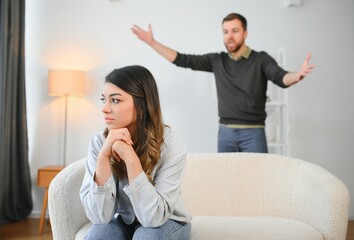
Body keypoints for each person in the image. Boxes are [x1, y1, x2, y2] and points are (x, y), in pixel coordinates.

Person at [131, 13, 316, 153]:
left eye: (235, 31)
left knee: (258, 182)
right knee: (226, 183)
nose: (230, 36)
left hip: (254, 134)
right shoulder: (217, 60)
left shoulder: (261, 59)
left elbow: (281, 77)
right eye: (225, 31)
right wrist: (152, 43)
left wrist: (297, 75)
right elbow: (182, 60)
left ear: (245, 33)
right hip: (225, 133)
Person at [79, 65, 192, 240]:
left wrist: (131, 160)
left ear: (141, 106)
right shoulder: (99, 142)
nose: (105, 108)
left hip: (167, 221)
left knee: (146, 236)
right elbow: (99, 217)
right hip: (124, 222)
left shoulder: (172, 145)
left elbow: (153, 219)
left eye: (115, 100)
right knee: (100, 233)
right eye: (104, 100)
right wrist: (103, 157)